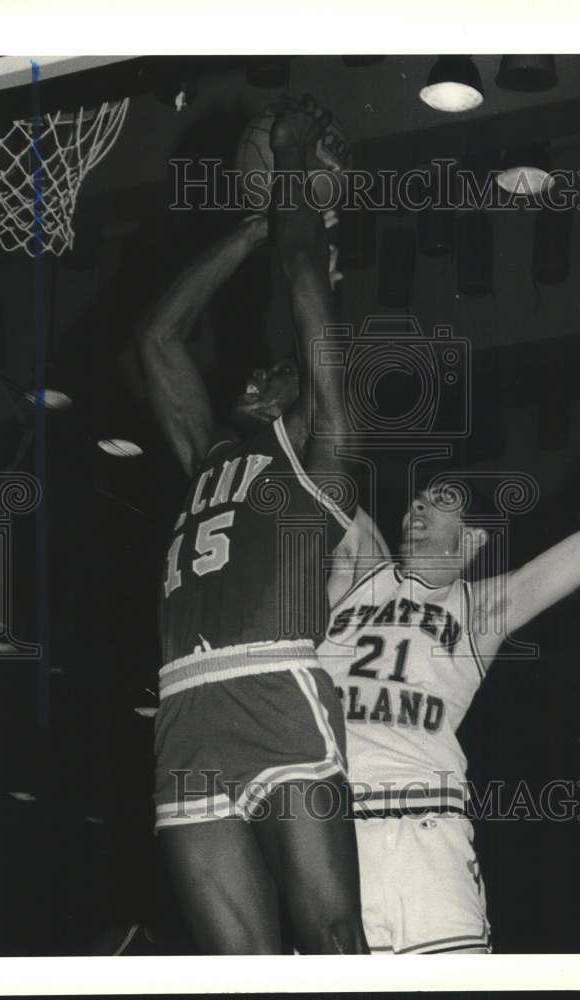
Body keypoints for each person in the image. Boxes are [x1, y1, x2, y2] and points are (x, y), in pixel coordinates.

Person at [134, 96, 370, 954]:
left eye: (276, 371)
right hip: (185, 710)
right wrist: (246, 229)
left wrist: (295, 178)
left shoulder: (323, 456)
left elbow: (307, 281)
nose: (255, 374)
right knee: (239, 967)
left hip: (276, 689)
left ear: (299, 398)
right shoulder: (205, 455)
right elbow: (159, 339)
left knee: (335, 937)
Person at [319, 477, 580, 954]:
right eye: (415, 501)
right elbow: (319, 475)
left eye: (439, 502)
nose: (416, 508)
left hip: (426, 829)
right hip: (325, 833)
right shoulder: (363, 569)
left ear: (473, 536)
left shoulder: (481, 607)